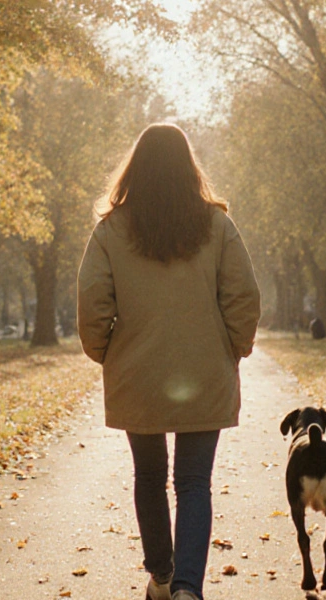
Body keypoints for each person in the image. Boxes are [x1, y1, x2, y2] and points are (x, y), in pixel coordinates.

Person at [78, 124, 261, 600]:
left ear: (135, 168)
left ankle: (160, 576)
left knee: (149, 477)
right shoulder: (216, 225)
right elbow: (244, 297)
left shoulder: (110, 230)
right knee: (195, 482)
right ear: (189, 167)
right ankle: (186, 588)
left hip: (137, 375)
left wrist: (109, 355)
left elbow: (92, 305)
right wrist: (233, 349)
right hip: (204, 372)